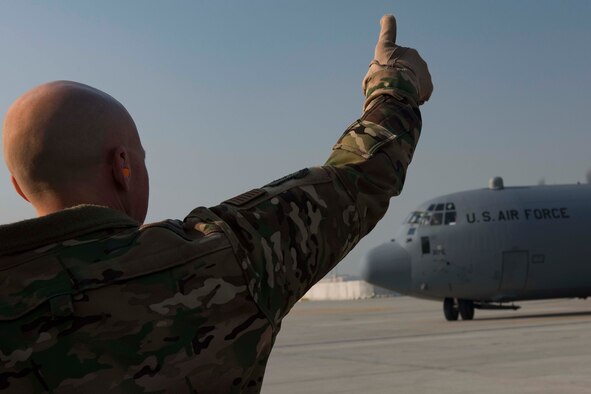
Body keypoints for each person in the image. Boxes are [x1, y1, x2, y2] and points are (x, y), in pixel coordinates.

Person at [0, 14, 432, 393]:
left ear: (20, 189)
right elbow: (357, 178)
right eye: (140, 158)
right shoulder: (218, 263)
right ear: (122, 167)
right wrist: (393, 84)